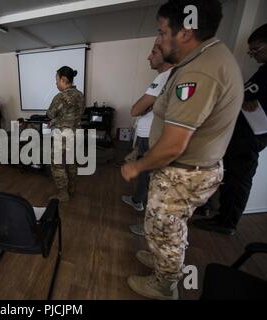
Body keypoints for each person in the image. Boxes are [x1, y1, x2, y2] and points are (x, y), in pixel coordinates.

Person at [121, 0, 244, 300]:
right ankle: (164, 262)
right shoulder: (204, 60)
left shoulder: (200, 72)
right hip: (189, 170)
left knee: (166, 230)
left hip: (183, 173)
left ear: (186, 32)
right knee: (167, 227)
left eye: (162, 32)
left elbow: (175, 143)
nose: (160, 40)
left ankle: (165, 284)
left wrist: (137, 166)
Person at [193, 24, 267, 235]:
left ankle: (226, 223)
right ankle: (211, 210)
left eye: (257, 49)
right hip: (239, 134)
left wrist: (244, 98)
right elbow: (243, 96)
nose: (252, 55)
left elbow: (244, 97)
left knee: (238, 180)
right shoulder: (263, 72)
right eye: (250, 51)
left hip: (250, 137)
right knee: (223, 174)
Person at [121, 42, 174, 236]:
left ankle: (150, 227)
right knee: (147, 176)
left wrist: (147, 106)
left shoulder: (165, 76)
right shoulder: (172, 76)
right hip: (149, 135)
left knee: (152, 180)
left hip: (151, 137)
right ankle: (137, 201)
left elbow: (135, 109)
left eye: (153, 52)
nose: (148, 57)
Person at [47, 66, 85, 202]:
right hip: (75, 135)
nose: (56, 83)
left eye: (57, 80)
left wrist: (54, 119)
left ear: (63, 79)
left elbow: (50, 113)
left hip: (62, 137)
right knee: (71, 162)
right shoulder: (80, 95)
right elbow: (74, 114)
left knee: (58, 165)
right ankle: (71, 189)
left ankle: (63, 194)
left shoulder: (61, 96)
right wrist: (56, 121)